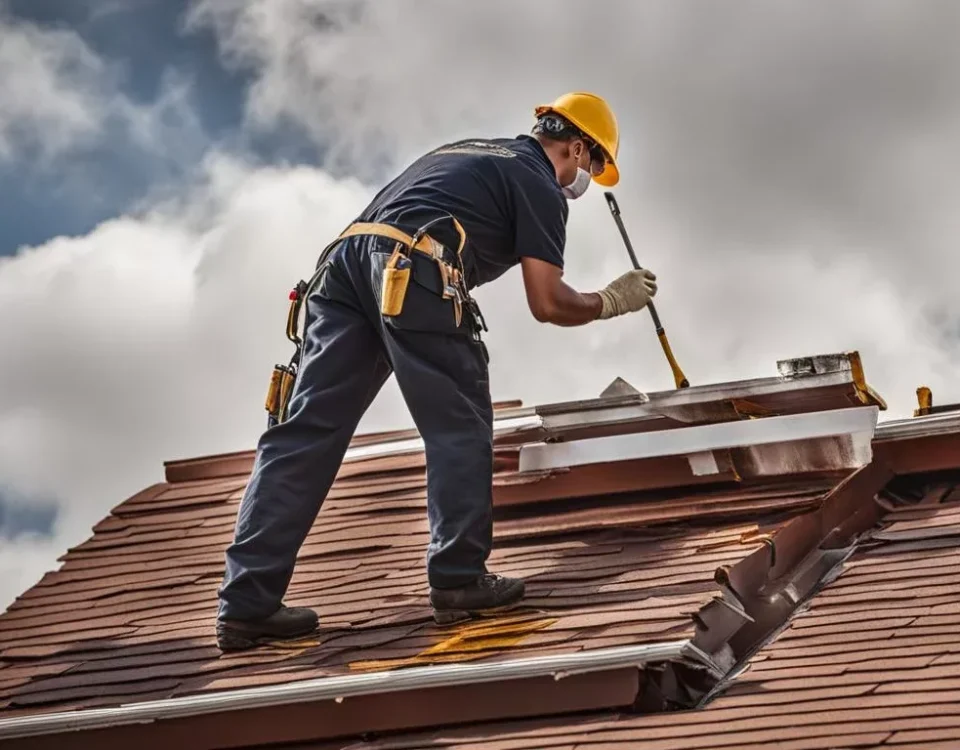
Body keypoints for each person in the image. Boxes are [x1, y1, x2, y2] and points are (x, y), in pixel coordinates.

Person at [215, 92, 659, 650]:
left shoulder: (467, 151)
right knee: (459, 424)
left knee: (303, 436)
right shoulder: (540, 183)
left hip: (340, 271)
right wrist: (610, 300)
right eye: (592, 165)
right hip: (412, 268)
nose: (587, 179)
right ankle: (459, 579)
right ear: (575, 146)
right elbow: (547, 303)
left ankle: (245, 604)